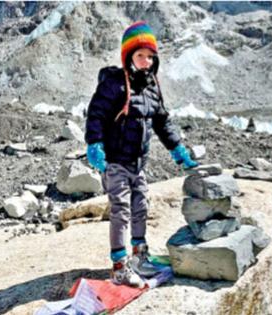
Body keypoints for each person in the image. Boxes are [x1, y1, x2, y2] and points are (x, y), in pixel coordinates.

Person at [85, 21, 198, 288]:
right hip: (115, 162)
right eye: (140, 55)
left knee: (141, 207)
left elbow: (162, 122)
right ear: (128, 56)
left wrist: (178, 150)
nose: (146, 61)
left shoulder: (151, 87)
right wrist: (94, 144)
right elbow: (96, 114)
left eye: (150, 56)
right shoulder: (114, 83)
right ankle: (120, 267)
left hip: (138, 164)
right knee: (121, 211)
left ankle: (139, 256)